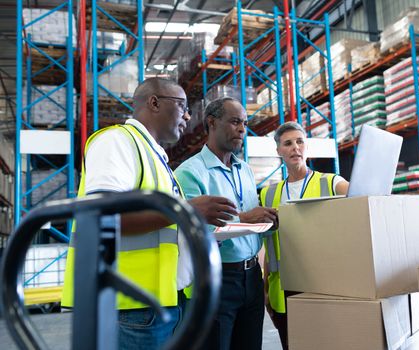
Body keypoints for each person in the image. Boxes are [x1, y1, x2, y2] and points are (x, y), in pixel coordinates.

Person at [62, 78, 238, 350]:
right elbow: (101, 217)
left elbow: (164, 229)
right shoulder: (117, 141)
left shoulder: (157, 159)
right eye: (182, 106)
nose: (188, 116)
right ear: (154, 102)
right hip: (129, 305)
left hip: (160, 301)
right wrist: (188, 210)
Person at [175, 97, 278, 350]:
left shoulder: (244, 169)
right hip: (216, 278)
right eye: (234, 122)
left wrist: (266, 222)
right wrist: (244, 218)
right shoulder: (189, 172)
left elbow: (250, 217)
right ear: (211, 123)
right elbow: (192, 232)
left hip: (251, 277)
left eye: (244, 123)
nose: (242, 129)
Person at [259, 121, 349, 349]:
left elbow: (358, 195)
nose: (295, 148)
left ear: (307, 147)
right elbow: (269, 246)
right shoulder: (268, 195)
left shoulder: (330, 182)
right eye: (288, 144)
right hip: (284, 291)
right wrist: (266, 291)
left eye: (300, 142)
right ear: (279, 151)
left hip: (322, 287)